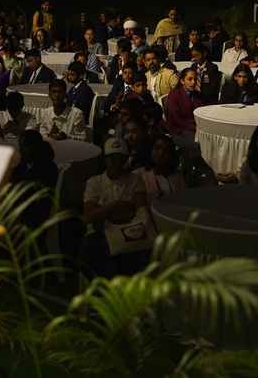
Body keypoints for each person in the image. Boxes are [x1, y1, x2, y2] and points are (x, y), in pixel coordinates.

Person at [80, 139, 150, 278]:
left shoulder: (136, 180)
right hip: (101, 234)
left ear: (125, 159)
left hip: (129, 233)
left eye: (119, 158)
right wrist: (115, 206)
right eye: (111, 158)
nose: (115, 162)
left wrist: (104, 210)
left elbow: (141, 209)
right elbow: (88, 216)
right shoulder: (94, 182)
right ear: (105, 159)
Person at [136, 134, 186, 224]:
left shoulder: (178, 176)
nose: (161, 153)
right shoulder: (140, 175)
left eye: (166, 150)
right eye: (157, 148)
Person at [163, 68, 204, 147]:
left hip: (196, 127)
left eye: (195, 79)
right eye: (190, 79)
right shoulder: (174, 95)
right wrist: (194, 127)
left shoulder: (196, 94)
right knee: (198, 144)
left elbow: (200, 112)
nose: (193, 82)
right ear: (182, 81)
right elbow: (176, 119)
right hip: (179, 130)